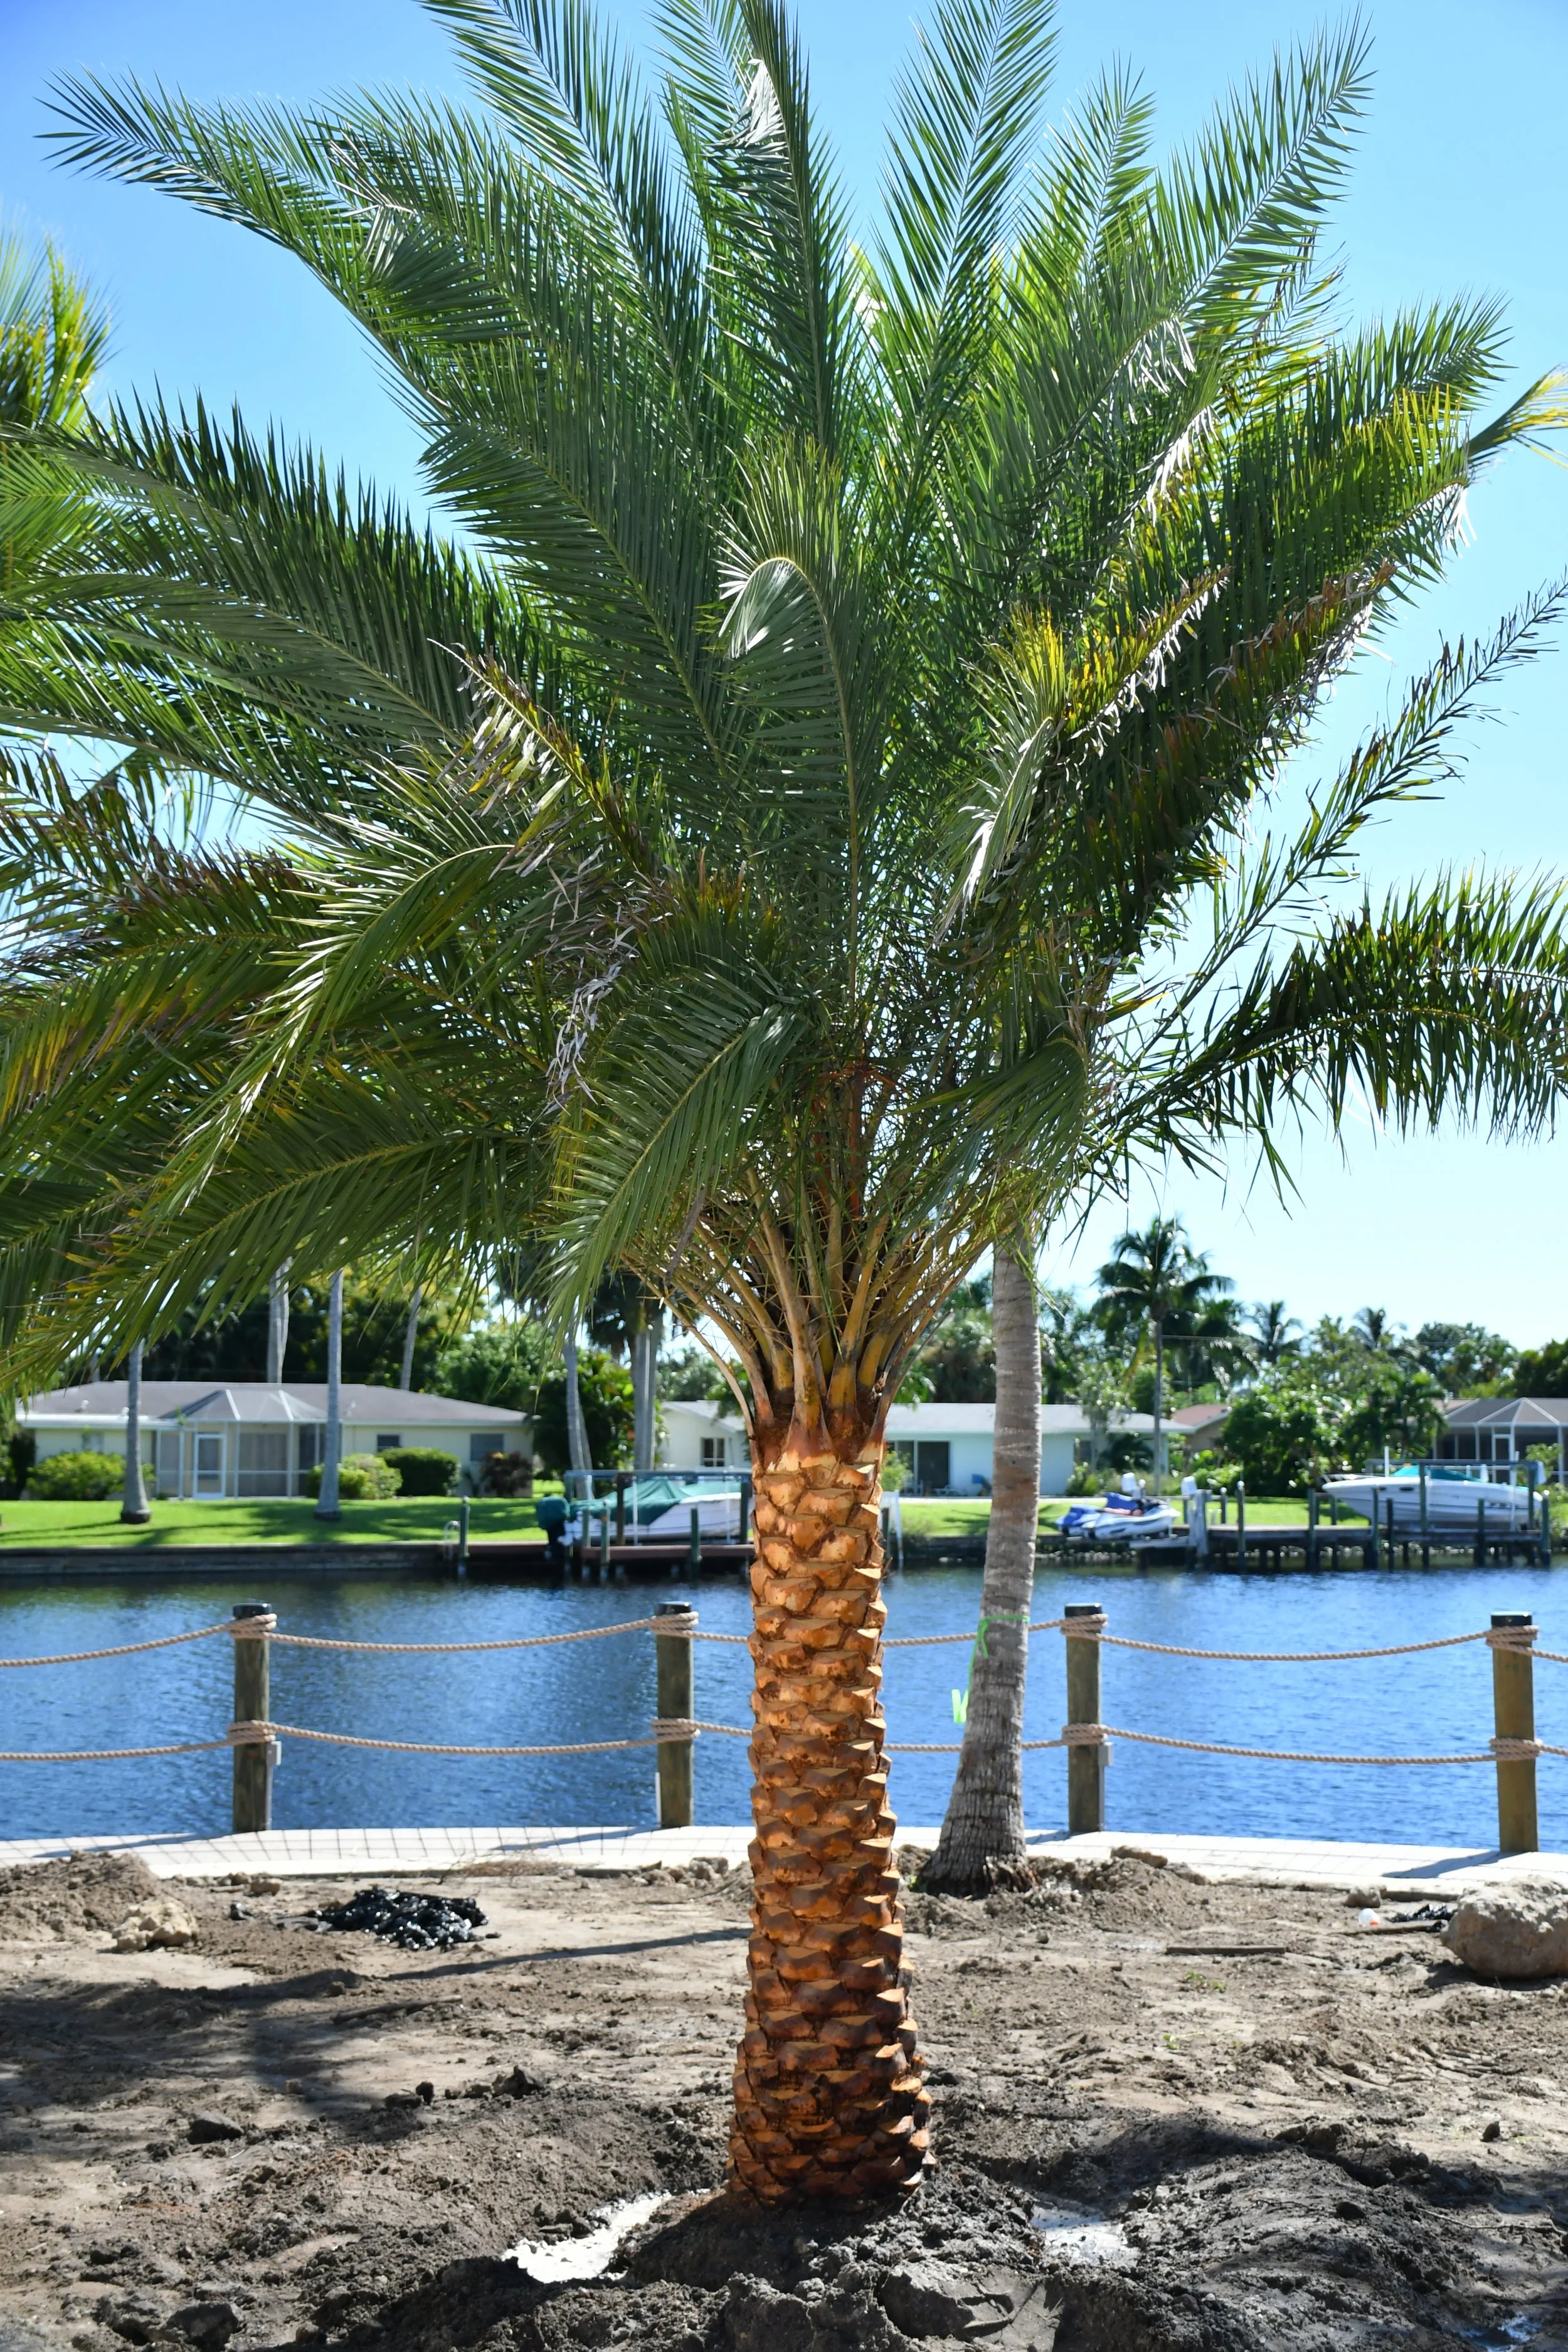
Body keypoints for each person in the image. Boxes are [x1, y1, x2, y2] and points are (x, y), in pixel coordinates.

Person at [534, 1490, 571, 1571]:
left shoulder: (543, 1503)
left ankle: (555, 1560)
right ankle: (562, 1559)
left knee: (553, 1540)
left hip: (549, 1523)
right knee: (560, 1539)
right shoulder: (561, 1500)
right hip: (560, 1522)